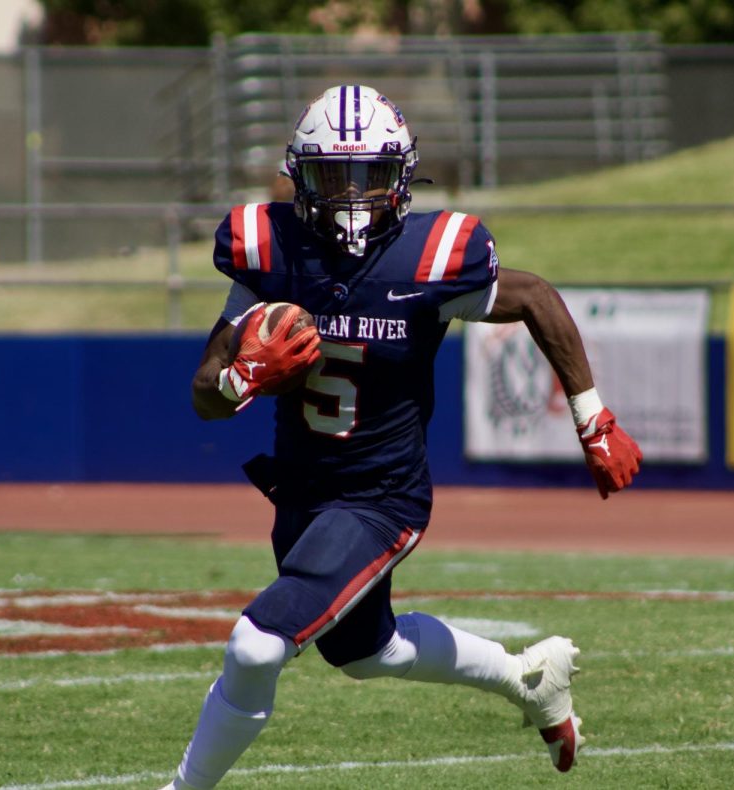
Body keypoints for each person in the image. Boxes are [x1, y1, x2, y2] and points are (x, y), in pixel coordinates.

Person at [160, 84, 642, 789]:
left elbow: (535, 296)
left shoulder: (432, 255)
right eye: (334, 177)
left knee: (256, 647)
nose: (353, 198)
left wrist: (592, 415)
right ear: (300, 178)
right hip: (302, 493)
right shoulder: (271, 250)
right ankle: (528, 679)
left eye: (370, 177)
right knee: (364, 651)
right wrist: (239, 380)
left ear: (403, 176)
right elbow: (205, 394)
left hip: (381, 498)